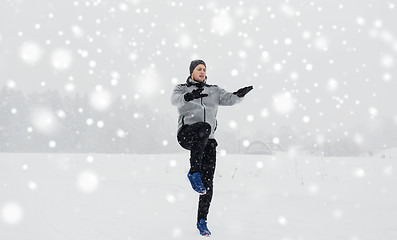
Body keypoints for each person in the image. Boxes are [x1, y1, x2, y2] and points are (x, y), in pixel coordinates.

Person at [171, 59, 253, 237]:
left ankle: (202, 221)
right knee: (204, 128)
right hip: (187, 134)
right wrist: (189, 96)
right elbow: (175, 101)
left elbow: (229, 99)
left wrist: (239, 95)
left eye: (204, 69)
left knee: (208, 183)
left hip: (207, 140)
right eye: (198, 69)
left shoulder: (213, 90)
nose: (202, 72)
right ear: (192, 72)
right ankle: (193, 172)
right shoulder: (181, 88)